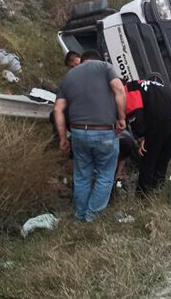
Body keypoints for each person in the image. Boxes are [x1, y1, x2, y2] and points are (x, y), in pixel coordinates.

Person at [53, 50, 126, 222]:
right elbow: (119, 90)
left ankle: (80, 216)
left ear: (82, 60)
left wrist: (63, 138)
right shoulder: (105, 67)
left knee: (81, 176)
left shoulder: (69, 76)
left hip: (78, 132)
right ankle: (92, 218)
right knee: (105, 174)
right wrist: (121, 118)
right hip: (104, 131)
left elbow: (57, 109)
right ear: (96, 59)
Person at [124, 79, 171, 194]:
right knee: (162, 161)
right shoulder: (153, 84)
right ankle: (158, 191)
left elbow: (135, 112)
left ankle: (143, 197)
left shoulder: (129, 88)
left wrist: (141, 136)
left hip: (159, 121)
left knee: (149, 159)